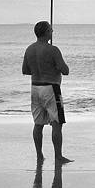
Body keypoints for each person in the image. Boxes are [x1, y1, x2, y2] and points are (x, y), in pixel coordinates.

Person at [22, 21, 71, 164]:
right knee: (57, 123)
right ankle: (58, 156)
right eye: (50, 29)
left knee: (38, 124)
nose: (52, 31)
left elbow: (25, 70)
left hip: (35, 87)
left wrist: (39, 68)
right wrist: (52, 67)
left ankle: (39, 155)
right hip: (50, 88)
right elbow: (65, 70)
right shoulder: (53, 50)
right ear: (46, 33)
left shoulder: (29, 49)